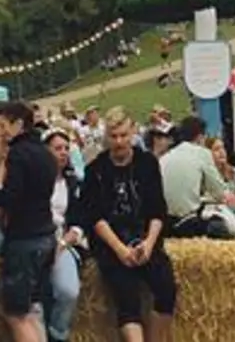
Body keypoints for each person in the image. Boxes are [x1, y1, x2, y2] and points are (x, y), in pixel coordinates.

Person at [82, 107, 176, 342]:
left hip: (145, 237)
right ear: (106, 137)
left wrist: (149, 244)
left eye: (123, 135)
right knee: (127, 299)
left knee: (167, 290)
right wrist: (120, 249)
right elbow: (95, 217)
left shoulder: (147, 163)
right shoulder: (95, 170)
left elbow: (157, 209)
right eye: (113, 136)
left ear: (133, 132)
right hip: (111, 243)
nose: (119, 142)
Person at [0, 102, 58, 342]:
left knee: (16, 314)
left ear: (19, 124)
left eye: (4, 125)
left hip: (25, 237)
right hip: (46, 235)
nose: (1, 131)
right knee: (32, 308)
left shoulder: (18, 154)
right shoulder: (45, 152)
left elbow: (11, 197)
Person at [42, 129, 87, 342]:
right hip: (36, 239)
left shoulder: (73, 182)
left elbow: (80, 219)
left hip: (63, 241)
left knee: (69, 291)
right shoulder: (34, 180)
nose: (63, 153)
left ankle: (57, 333)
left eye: (66, 148)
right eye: (58, 148)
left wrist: (65, 241)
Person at [158, 116, 230, 237]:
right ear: (200, 137)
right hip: (187, 223)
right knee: (220, 226)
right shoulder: (203, 154)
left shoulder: (165, 157)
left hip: (165, 224)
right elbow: (219, 193)